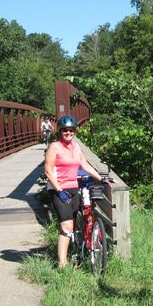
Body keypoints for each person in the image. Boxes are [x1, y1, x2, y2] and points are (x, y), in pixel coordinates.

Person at [44, 114, 102, 267]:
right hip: (58, 190)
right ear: (60, 131)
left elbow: (85, 165)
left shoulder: (76, 146)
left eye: (71, 130)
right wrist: (59, 190)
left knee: (74, 224)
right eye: (65, 130)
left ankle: (74, 252)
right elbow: (48, 171)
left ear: (74, 131)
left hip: (74, 188)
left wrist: (101, 178)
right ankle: (62, 265)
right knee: (67, 227)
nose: (68, 133)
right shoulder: (54, 147)